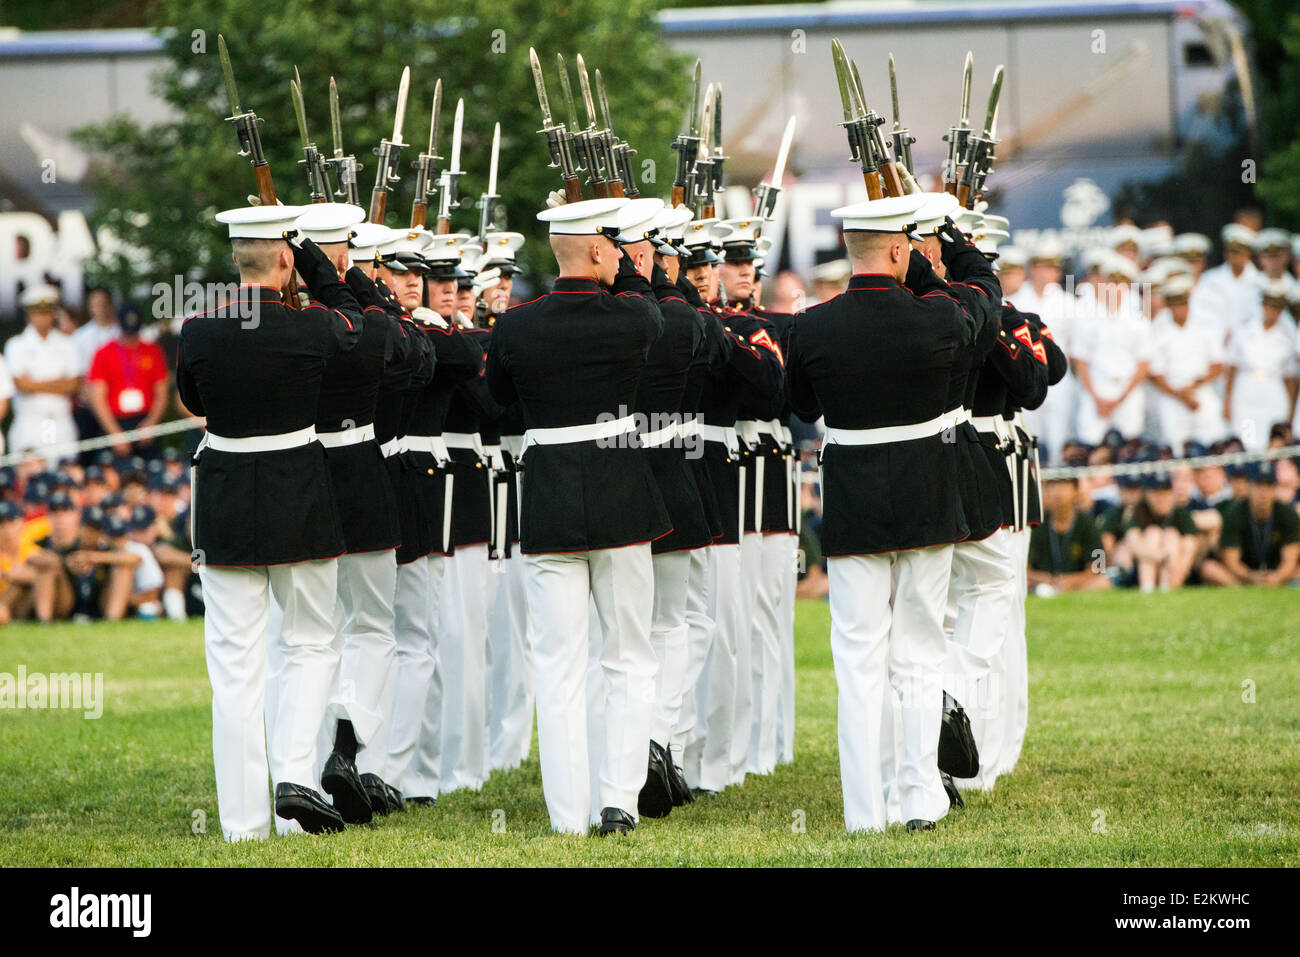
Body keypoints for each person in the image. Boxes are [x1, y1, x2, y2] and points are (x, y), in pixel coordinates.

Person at [786, 194, 994, 833]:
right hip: (927, 498)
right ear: (902, 250)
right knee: (920, 653)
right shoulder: (936, 318)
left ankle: (862, 810)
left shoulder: (812, 326)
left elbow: (798, 400)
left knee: (856, 659)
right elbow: (983, 299)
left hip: (854, 503)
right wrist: (942, 254)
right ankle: (919, 799)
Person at [178, 204, 367, 841]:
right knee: (311, 643)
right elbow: (356, 317)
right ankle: (293, 775)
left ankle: (242, 824)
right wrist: (314, 256)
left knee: (234, 669)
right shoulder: (311, 325)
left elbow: (196, 402)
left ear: (238, 260)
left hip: (228, 499)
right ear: (285, 260)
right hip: (300, 495)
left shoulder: (199, 332)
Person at [485, 196, 669, 836]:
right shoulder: (629, 316)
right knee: (628, 659)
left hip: (549, 500)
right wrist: (635, 268)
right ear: (597, 250)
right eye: (613, 245)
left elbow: (501, 403)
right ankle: (619, 800)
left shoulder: (515, 325)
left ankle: (568, 815)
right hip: (620, 495)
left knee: (558, 667)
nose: (620, 255)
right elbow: (656, 315)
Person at [1072, 255, 1152, 444]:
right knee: (1091, 444)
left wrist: (1120, 399)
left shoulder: (1139, 321)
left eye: (1121, 284)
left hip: (1128, 394)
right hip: (1095, 393)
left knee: (1129, 447)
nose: (1115, 289)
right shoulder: (1087, 318)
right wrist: (1096, 397)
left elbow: (1144, 364)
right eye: (1111, 282)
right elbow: (1080, 360)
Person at [85, 303, 171, 460]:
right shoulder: (104, 352)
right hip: (115, 421)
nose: (130, 338)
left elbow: (162, 392)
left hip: (145, 421)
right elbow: (97, 398)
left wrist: (151, 423)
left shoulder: (152, 350)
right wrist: (115, 433)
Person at [1148, 274, 1225, 448]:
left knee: (1212, 442)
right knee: (1175, 445)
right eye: (1175, 305)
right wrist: (1181, 395)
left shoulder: (1204, 325)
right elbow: (1154, 373)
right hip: (1171, 394)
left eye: (1183, 304)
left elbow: (1217, 364)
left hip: (1200, 390)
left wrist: (1193, 388)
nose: (1180, 310)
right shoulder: (1158, 330)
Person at [5, 285, 81, 460]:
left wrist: (36, 383)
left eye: (47, 312)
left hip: (60, 420)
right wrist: (58, 383)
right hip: (30, 421)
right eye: (38, 313)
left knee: (65, 473)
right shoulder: (17, 345)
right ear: (28, 315)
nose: (43, 318)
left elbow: (73, 385)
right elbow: (22, 385)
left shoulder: (67, 344)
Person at [1223, 279, 1298, 450]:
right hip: (1247, 388)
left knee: (1272, 440)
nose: (1274, 312)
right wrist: (1227, 402)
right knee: (1247, 439)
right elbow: (1232, 368)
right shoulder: (1244, 331)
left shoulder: (1287, 337)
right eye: (1270, 306)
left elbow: (1290, 378)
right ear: (1263, 306)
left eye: (1278, 308)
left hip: (1272, 389)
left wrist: (1290, 413)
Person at [1217, 462, 1300, 586]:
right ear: (1249, 486)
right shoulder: (1234, 513)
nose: (1263, 491)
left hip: (1278, 568)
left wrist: (1277, 577)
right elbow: (1231, 560)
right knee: (1211, 569)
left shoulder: (1287, 513)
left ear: (1275, 488)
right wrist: (1251, 577)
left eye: (1268, 485)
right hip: (1245, 570)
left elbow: (1291, 557)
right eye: (1258, 485)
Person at [1027, 478, 1109, 593]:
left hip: (1077, 584)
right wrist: (1044, 579)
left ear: (1075, 491)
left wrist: (1070, 580)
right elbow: (1024, 568)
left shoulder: (1088, 523)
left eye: (1064, 486)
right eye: (1053, 486)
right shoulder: (1036, 524)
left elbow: (1098, 568)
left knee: (1103, 583)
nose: (1058, 493)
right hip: (1042, 583)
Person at [1123, 473, 1199, 591]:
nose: (1161, 497)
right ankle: (1148, 587)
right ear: (1147, 494)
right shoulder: (1138, 512)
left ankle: (1167, 587)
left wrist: (1175, 566)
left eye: (1165, 492)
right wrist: (1163, 556)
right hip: (1145, 564)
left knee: (1171, 535)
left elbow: (1190, 547)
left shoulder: (1180, 513)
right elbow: (1135, 545)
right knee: (1153, 533)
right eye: (1156, 492)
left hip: (1175, 566)